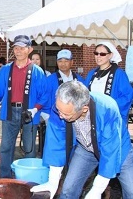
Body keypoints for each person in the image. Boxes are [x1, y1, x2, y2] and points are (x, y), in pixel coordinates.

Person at [30, 81, 133, 199]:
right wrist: (53, 182)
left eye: (66, 114)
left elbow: (111, 150)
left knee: (131, 191)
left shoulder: (107, 109)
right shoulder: (60, 109)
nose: (60, 116)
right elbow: (55, 143)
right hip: (85, 148)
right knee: (68, 190)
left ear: (84, 109)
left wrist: (97, 189)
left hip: (119, 150)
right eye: (59, 110)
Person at [0, 35, 49, 178]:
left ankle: (28, 179)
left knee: (29, 148)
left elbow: (45, 94)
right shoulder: (6, 69)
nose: (18, 51)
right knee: (6, 147)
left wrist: (36, 108)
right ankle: (6, 177)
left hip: (29, 112)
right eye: (16, 48)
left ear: (30, 49)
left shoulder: (36, 71)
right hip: (9, 111)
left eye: (22, 48)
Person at [85, 42, 133, 197]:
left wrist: (107, 110)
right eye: (96, 53)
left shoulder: (119, 74)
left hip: (112, 128)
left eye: (102, 54)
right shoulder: (92, 74)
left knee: (118, 164)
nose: (98, 57)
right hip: (92, 128)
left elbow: (126, 97)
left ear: (110, 55)